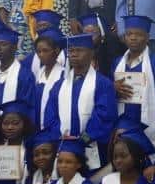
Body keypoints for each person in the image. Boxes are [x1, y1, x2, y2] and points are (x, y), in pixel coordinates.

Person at [43, 34, 116, 174]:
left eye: (79, 50)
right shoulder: (59, 85)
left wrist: (83, 139)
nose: (74, 54)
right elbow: (50, 116)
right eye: (71, 51)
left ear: (91, 53)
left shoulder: (103, 84)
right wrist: (61, 136)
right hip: (64, 148)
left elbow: (104, 117)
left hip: (92, 148)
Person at [113, 15, 155, 151]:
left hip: (146, 124)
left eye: (138, 34)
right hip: (121, 124)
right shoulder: (117, 64)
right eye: (129, 34)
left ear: (147, 37)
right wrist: (113, 89)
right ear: (125, 37)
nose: (133, 38)